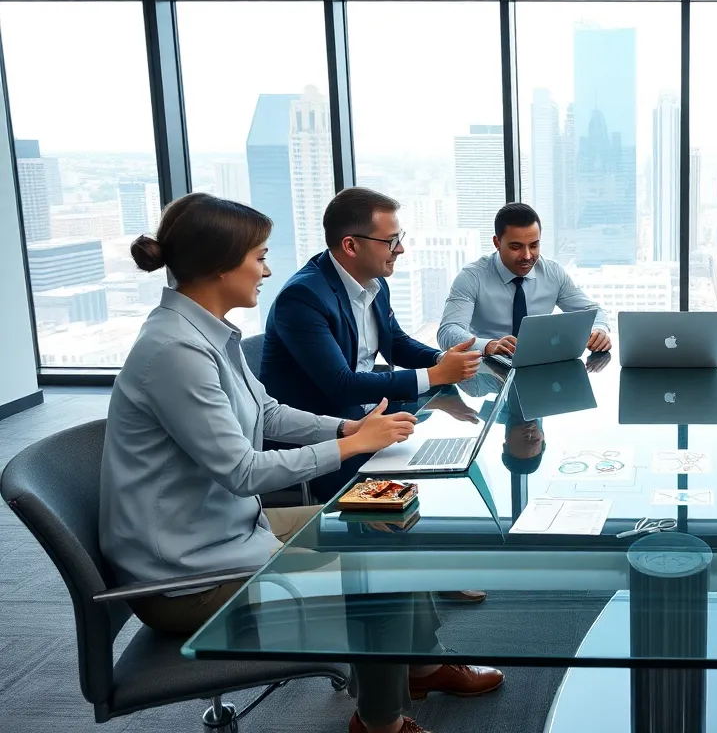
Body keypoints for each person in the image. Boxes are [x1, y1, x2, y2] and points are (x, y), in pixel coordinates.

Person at [101, 193, 502, 733]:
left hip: (230, 531)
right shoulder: (176, 352)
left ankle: (421, 669)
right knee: (377, 576)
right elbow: (244, 471)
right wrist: (350, 447)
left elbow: (265, 412)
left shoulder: (205, 333)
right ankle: (380, 724)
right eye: (259, 256)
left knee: (386, 524)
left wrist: (345, 427)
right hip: (188, 576)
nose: (267, 269)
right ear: (221, 265)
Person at [262, 187, 481, 505]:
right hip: (325, 438)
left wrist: (443, 359)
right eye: (391, 240)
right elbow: (341, 385)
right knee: (422, 496)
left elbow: (398, 343)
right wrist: (435, 375)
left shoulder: (375, 282)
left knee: (456, 453)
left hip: (371, 415)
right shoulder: (303, 297)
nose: (401, 249)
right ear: (351, 245)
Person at [437, 202, 611, 358]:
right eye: (516, 247)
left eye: (534, 245)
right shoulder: (472, 277)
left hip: (540, 366)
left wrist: (599, 331)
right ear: (497, 242)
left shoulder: (552, 273)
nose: (527, 256)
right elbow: (448, 331)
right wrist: (488, 346)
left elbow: (594, 311)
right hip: (486, 369)